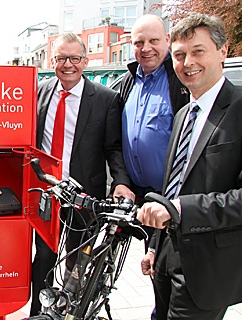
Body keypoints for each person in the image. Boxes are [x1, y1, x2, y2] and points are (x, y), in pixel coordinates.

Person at [137, 12, 242, 319]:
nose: (187, 63)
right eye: (180, 55)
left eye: (198, 51)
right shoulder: (184, 114)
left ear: (222, 51)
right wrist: (156, 246)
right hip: (167, 257)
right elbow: (173, 185)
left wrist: (180, 210)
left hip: (208, 265)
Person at [30, 32, 134, 315]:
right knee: (43, 257)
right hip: (47, 192)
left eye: (74, 58)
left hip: (84, 194)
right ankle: (39, 311)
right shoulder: (39, 92)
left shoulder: (106, 99)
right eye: (61, 58)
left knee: (77, 261)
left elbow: (113, 148)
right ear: (52, 61)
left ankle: (70, 310)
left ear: (85, 61)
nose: (68, 64)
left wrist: (121, 183)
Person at [120, 14, 190, 319]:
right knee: (153, 269)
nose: (145, 48)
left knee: (175, 276)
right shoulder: (126, 83)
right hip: (143, 198)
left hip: (175, 200)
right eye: (138, 42)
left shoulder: (180, 81)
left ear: (168, 41)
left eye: (153, 41)